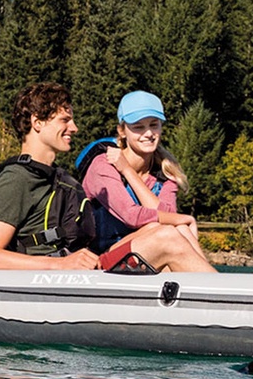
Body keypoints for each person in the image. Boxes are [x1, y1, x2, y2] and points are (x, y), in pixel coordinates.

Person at [80, 91, 214, 273]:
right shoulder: (103, 164)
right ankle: (220, 286)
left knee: (175, 230)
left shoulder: (166, 174)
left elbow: (167, 218)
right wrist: (185, 219)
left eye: (154, 125)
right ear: (122, 131)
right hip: (99, 263)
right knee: (170, 230)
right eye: (138, 127)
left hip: (146, 255)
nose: (149, 133)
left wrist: (127, 170)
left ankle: (216, 286)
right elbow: (130, 215)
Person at [0, 82, 101, 270]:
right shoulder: (15, 179)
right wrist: (61, 264)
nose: (74, 128)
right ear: (37, 123)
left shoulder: (55, 178)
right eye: (65, 120)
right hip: (38, 278)